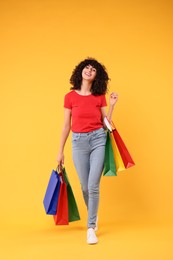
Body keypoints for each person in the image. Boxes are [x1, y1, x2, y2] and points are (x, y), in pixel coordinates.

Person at [57, 58, 118, 244]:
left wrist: (112, 106)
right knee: (84, 186)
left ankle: (91, 227)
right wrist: (60, 151)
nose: (89, 70)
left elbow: (106, 124)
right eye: (87, 67)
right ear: (81, 71)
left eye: (93, 69)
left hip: (98, 139)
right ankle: (94, 214)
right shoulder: (70, 97)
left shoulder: (99, 96)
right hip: (78, 143)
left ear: (96, 76)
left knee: (93, 185)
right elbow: (66, 125)